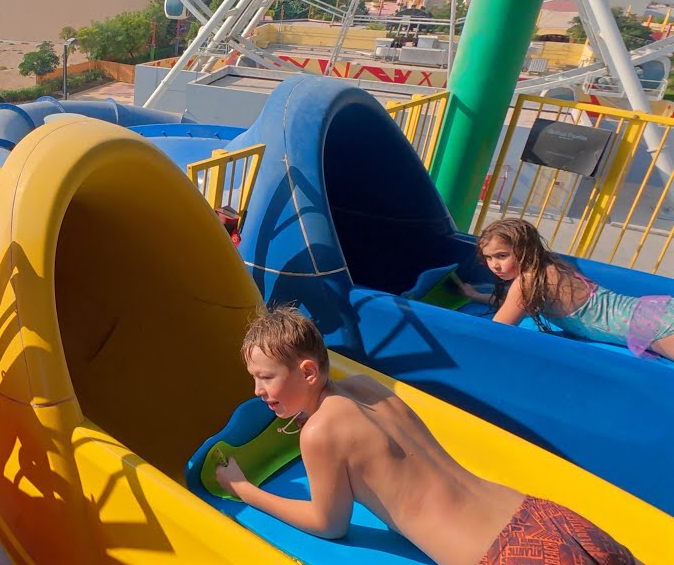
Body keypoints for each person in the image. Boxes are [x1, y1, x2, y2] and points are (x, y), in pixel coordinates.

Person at [215, 305, 636, 565]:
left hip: (505, 556)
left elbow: (329, 525)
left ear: (307, 372)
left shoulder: (320, 431)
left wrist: (242, 488)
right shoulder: (366, 387)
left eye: (265, 378)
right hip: (545, 518)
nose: (257, 391)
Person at [459, 218, 674, 361]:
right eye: (488, 257)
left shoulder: (527, 282)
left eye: (501, 256)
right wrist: (476, 295)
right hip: (653, 310)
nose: (494, 265)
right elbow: (514, 305)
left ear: (524, 250)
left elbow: (497, 330)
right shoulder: (549, 264)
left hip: (655, 327)